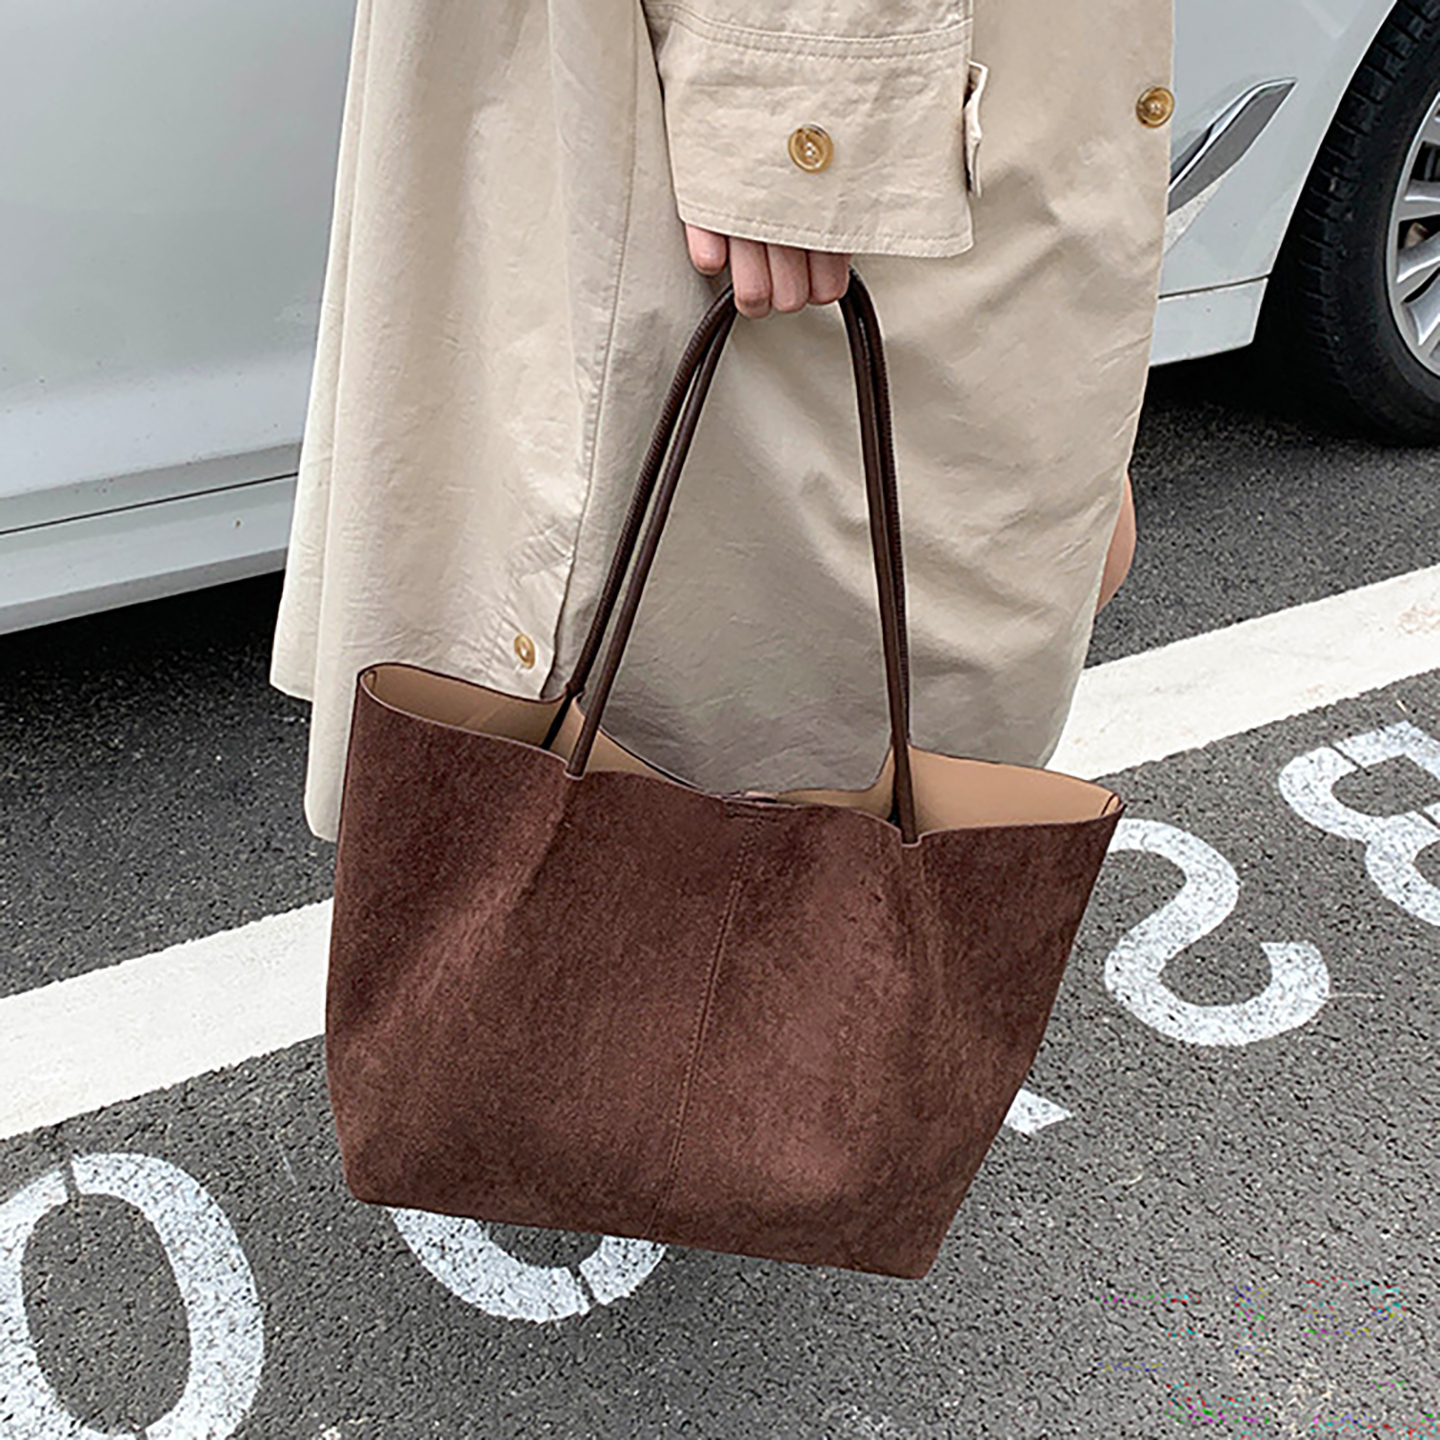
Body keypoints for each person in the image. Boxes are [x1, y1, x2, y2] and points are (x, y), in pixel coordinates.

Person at [269, 0, 1170, 844]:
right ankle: (723, 979)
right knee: (746, 704)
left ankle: (650, 970)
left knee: (698, 719)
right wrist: (793, 101)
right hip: (797, 82)